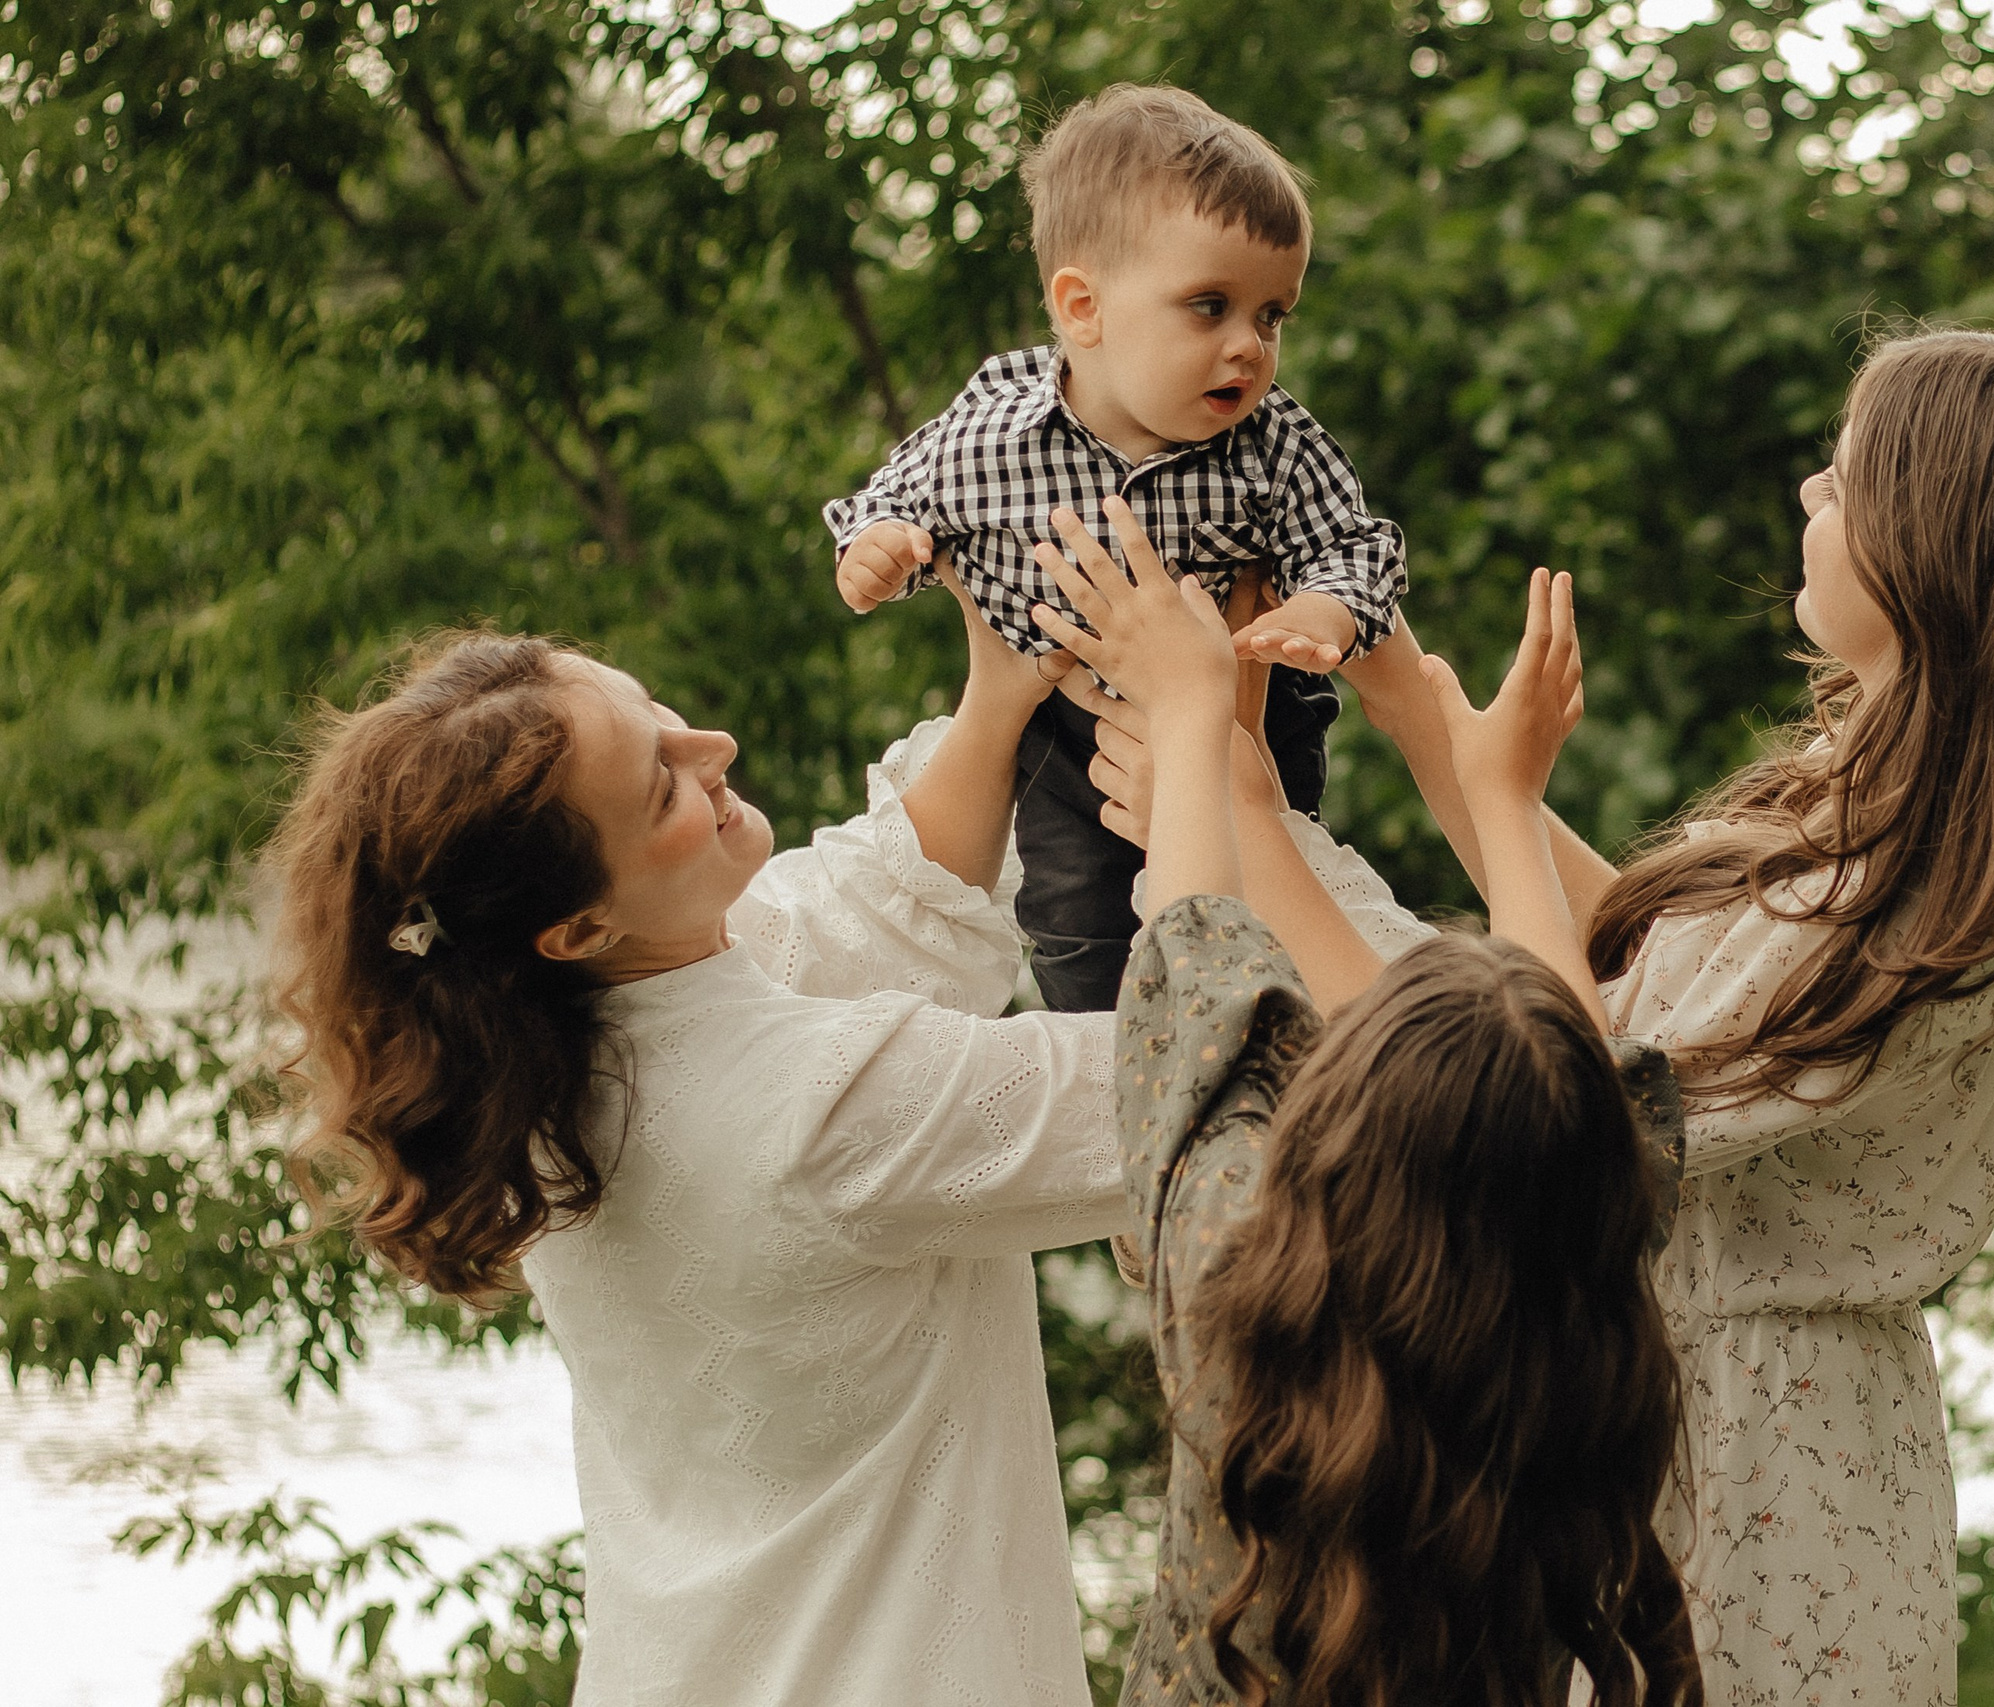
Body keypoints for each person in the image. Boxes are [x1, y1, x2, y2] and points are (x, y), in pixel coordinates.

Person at [1425, 329, 1994, 1704]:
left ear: (1934, 557)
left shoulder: (1930, 898)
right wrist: (1428, 727)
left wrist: (1495, 794)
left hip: (1764, 1470)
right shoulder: (1885, 819)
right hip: (1725, 1411)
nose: (1804, 499)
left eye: (1841, 485)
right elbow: (1647, 977)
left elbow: (1588, 1102)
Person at [264, 589, 1128, 1704]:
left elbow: (893, 910)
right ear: (576, 927)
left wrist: (1001, 697)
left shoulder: (548, 1054)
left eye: (659, 716)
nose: (712, 747)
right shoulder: (820, 1107)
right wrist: (1218, 766)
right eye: (661, 780)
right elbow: (1206, 1080)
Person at [1032, 496, 1704, 1706]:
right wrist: (1495, 804)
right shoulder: (1580, 1311)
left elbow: (1196, 974)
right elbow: (1572, 1090)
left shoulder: (1242, 1281)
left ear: (1333, 1109)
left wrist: (1191, 731)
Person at [822, 83, 1463, 1013]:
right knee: (1080, 931)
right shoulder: (994, 427)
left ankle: (1263, 1044)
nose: (1250, 345)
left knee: (1256, 916)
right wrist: (883, 544)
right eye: (1211, 306)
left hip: (1245, 729)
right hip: (1065, 721)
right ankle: (1125, 1085)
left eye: (1272, 315)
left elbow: (1354, 546)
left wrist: (1319, 609)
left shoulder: (1272, 443)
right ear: (1083, 307)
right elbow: (898, 491)